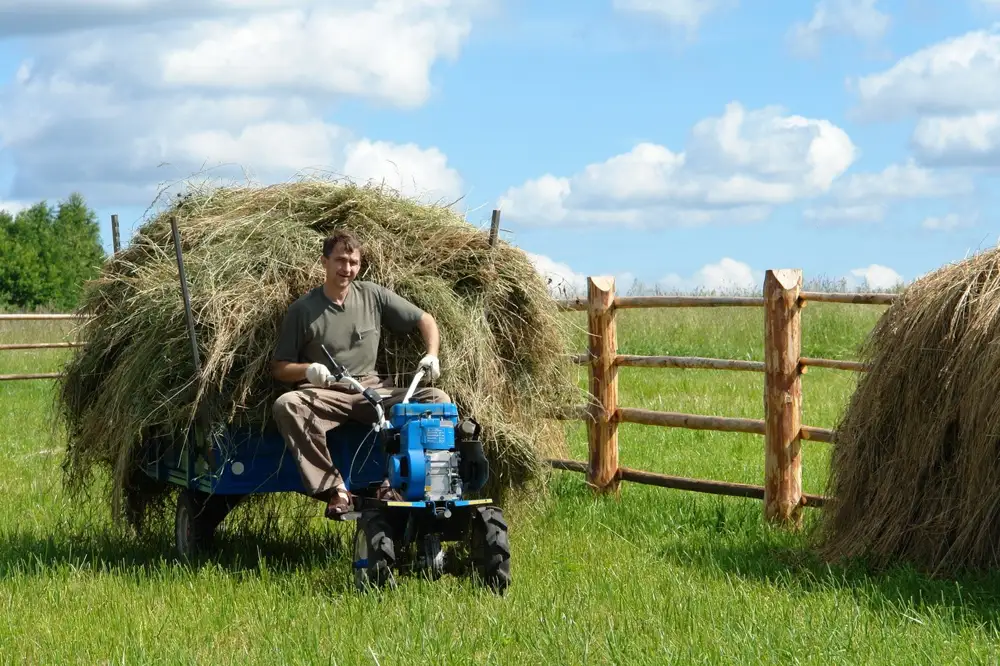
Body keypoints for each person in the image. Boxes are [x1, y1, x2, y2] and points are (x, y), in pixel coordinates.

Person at [270, 229, 449, 518]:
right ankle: (335, 489)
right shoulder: (302, 310)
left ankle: (398, 483)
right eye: (340, 260)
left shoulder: (373, 295)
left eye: (353, 262)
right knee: (287, 405)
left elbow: (425, 319)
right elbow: (279, 368)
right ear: (324, 262)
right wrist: (308, 370)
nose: (347, 268)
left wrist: (431, 354)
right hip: (327, 393)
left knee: (436, 399)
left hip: (371, 392)